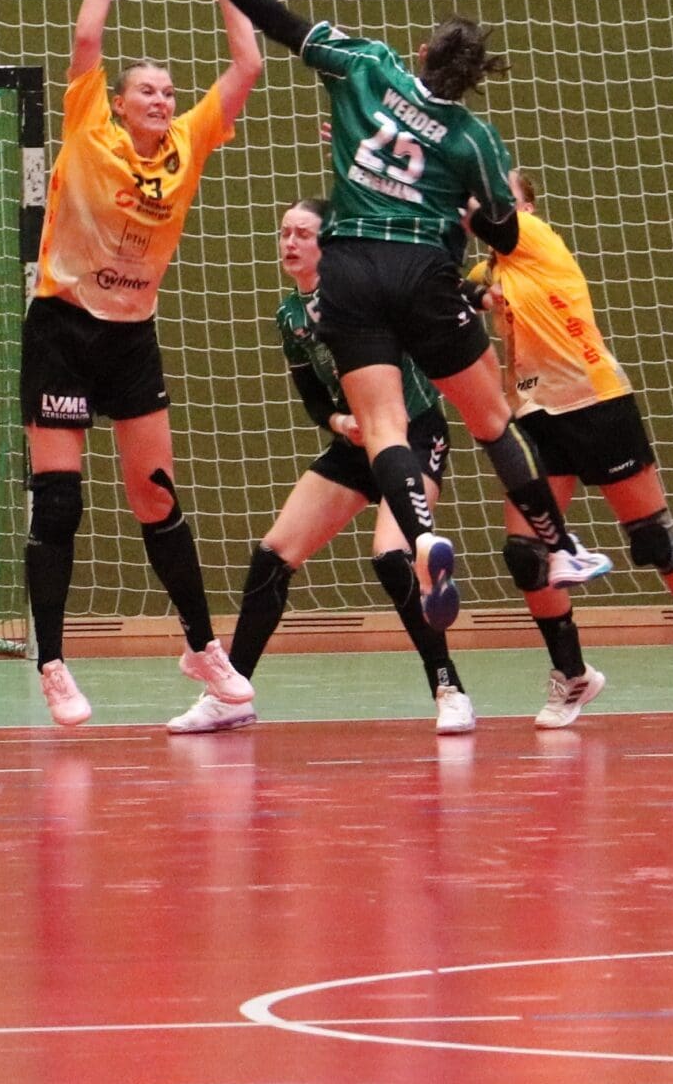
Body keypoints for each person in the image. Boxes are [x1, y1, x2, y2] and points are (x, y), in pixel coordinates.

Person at [161, 0, 610, 633]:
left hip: (349, 270)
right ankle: (557, 547)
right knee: (493, 420)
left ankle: (422, 537)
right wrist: (458, 201)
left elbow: (282, 22)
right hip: (422, 270)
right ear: (470, 79)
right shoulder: (474, 139)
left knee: (382, 424)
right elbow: (501, 231)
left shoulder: (367, 66)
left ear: (422, 53)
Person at [23, 0, 265, 727]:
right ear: (120, 103)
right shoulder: (88, 130)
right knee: (59, 502)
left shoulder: (190, 141)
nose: (161, 99)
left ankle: (202, 647)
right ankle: (52, 662)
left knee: (156, 496)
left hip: (131, 336)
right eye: (147, 91)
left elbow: (247, 67)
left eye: (168, 90)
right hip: (62, 329)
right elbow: (87, 36)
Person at [175, 199, 475, 736]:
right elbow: (314, 398)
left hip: (412, 435)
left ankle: (449, 688)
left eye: (303, 234)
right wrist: (339, 421)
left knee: (393, 554)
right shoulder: (290, 316)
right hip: (356, 444)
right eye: (284, 233)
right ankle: (230, 694)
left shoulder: (366, 294)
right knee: (273, 556)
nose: (290, 243)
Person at [477, 172, 673, 724]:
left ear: (527, 209)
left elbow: (477, 213)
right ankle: (573, 674)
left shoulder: (536, 239)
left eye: (507, 198)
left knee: (654, 539)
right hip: (534, 417)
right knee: (526, 555)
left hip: (596, 404)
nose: (495, 206)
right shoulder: (487, 272)